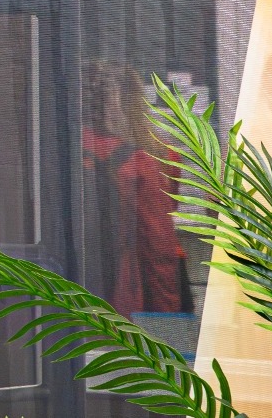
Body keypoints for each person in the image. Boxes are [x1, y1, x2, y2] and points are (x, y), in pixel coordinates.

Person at [81, 61, 190, 315]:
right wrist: (168, 318)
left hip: (100, 275)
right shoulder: (162, 156)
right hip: (151, 279)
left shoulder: (72, 151)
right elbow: (159, 236)